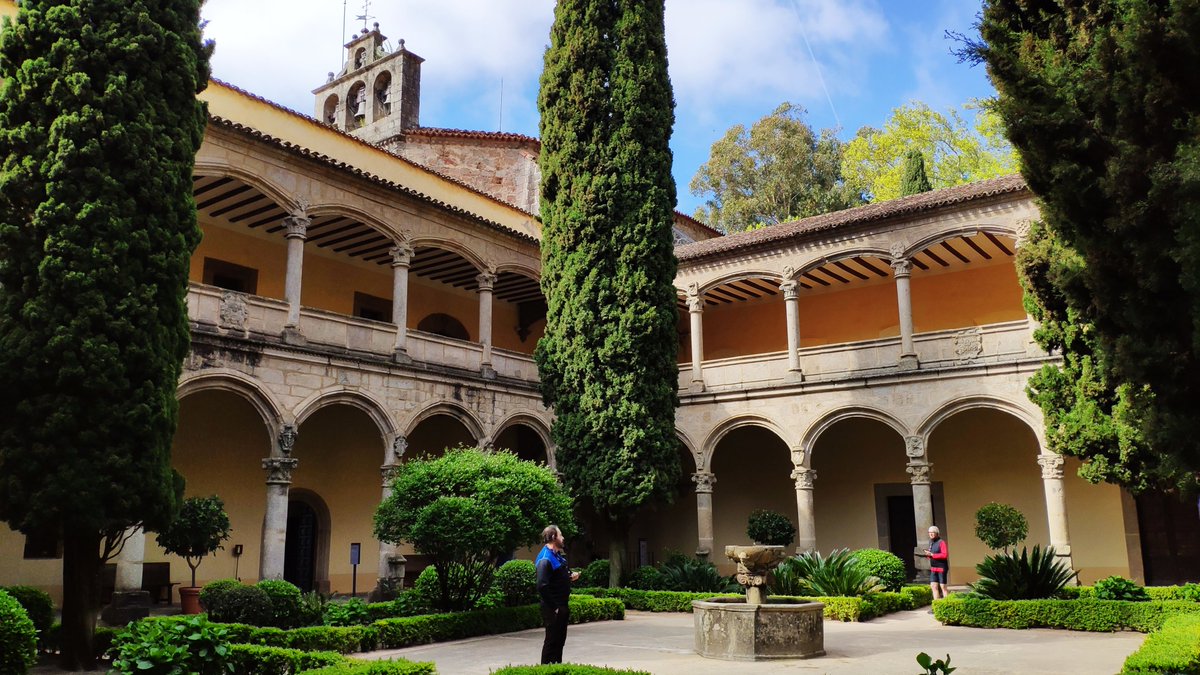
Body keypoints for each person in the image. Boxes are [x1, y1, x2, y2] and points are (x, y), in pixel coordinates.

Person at [535, 524, 579, 664]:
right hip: (553, 607)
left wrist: (570, 576)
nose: (563, 537)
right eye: (561, 535)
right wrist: (555, 607)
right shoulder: (545, 558)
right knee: (552, 642)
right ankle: (546, 670)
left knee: (559, 642)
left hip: (562, 605)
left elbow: (557, 575)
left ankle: (557, 668)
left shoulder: (557, 555)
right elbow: (542, 585)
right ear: (554, 537)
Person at [919, 526, 950, 599]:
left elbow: (944, 555)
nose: (931, 534)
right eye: (929, 532)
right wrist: (928, 554)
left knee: (943, 586)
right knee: (933, 586)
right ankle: (936, 603)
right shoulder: (930, 542)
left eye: (933, 532)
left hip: (941, 568)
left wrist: (933, 555)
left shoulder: (941, 542)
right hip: (933, 568)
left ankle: (947, 603)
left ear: (937, 533)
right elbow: (931, 553)